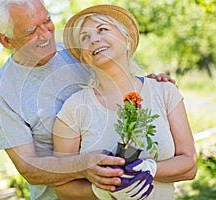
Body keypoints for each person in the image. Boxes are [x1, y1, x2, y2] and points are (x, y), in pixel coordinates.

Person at [0, 0, 177, 199]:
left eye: (47, 20)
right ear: (6, 41)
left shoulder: (80, 52)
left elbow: (123, 82)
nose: (46, 33)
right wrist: (84, 166)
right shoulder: (0, 92)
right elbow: (28, 167)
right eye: (31, 30)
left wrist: (150, 85)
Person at [53, 4, 198, 200]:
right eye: (84, 38)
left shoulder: (164, 91)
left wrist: (149, 169)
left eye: (102, 29)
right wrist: (101, 191)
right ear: (84, 57)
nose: (93, 39)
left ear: (127, 41)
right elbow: (61, 185)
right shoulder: (73, 108)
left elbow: (189, 166)